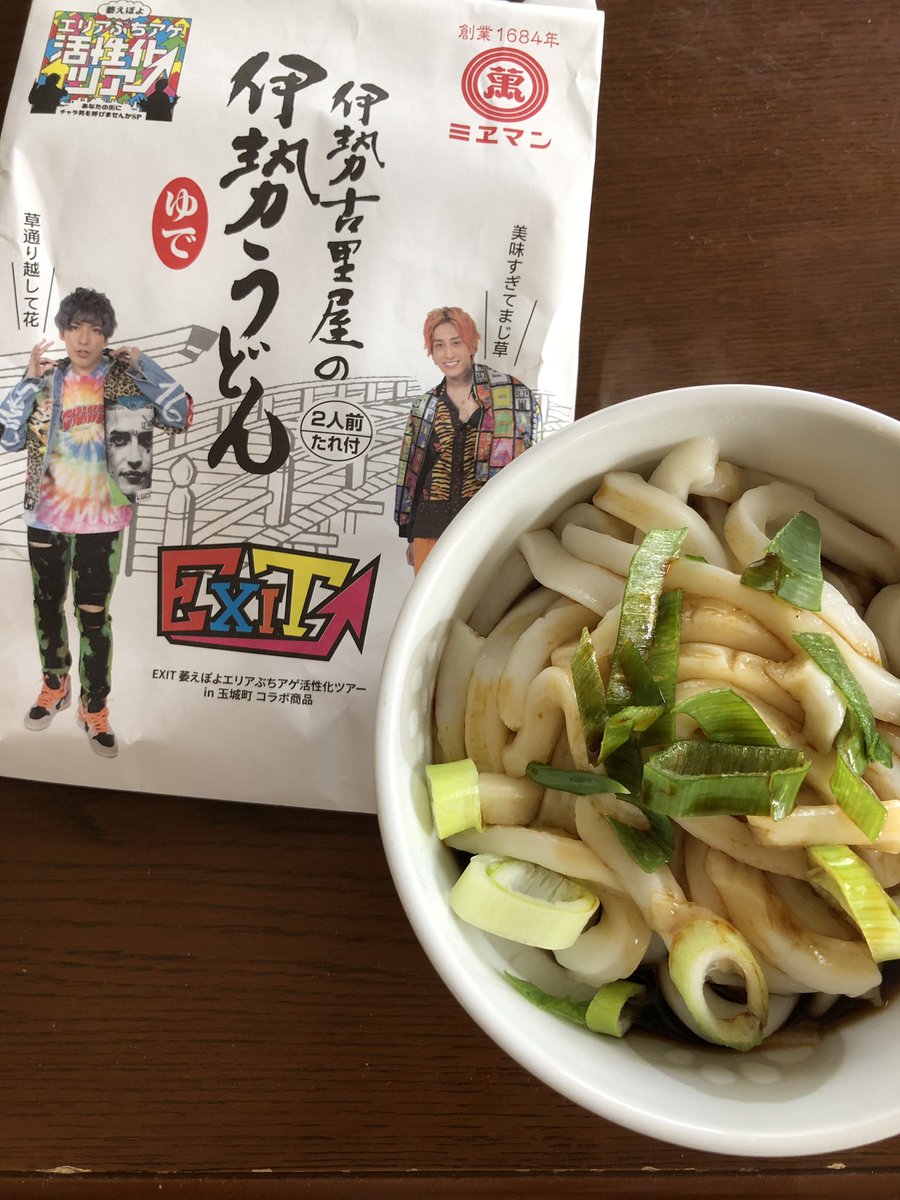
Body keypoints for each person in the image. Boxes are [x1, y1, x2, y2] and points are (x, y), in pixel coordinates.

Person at [0, 287, 193, 757]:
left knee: (93, 616)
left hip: (103, 520)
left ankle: (95, 706)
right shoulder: (46, 381)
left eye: (94, 329)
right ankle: (55, 684)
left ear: (107, 335)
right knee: (47, 607)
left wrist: (145, 364)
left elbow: (180, 414)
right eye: (75, 328)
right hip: (45, 517)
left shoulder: (124, 379)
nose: (84, 339)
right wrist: (26, 381)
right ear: (63, 332)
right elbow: (6, 437)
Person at [394, 305, 541, 573]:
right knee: (430, 595)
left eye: (456, 343)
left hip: (485, 520)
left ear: (471, 345)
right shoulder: (425, 405)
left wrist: (478, 419)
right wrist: (411, 534)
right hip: (430, 523)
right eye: (439, 345)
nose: (448, 354)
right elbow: (415, 472)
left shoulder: (509, 391)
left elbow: (525, 456)